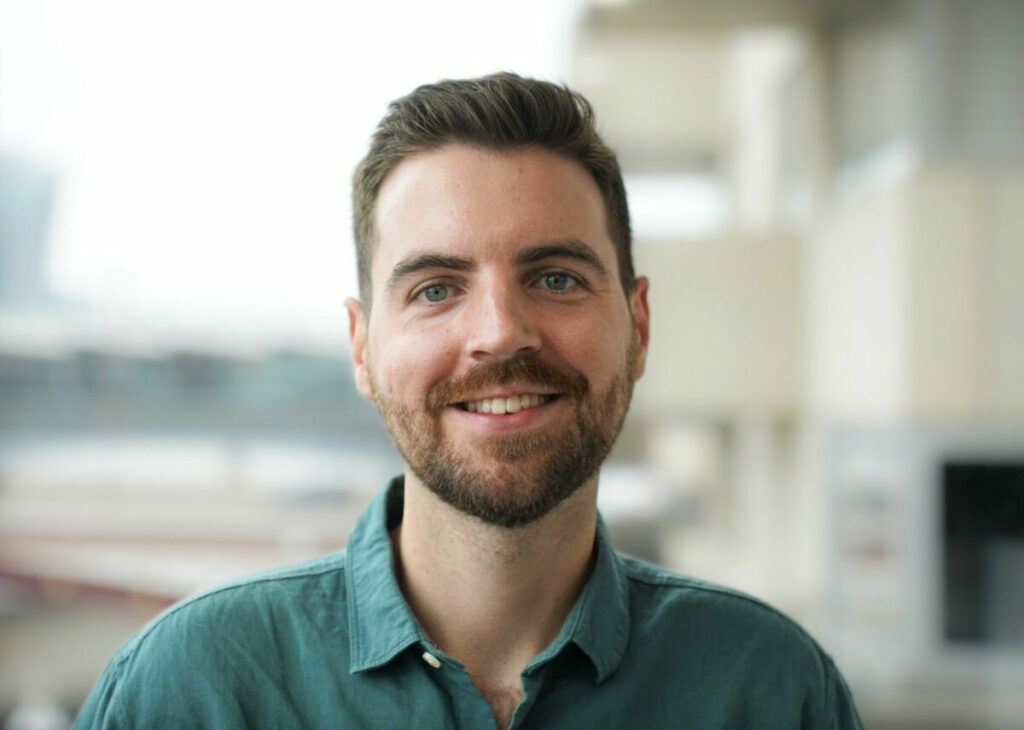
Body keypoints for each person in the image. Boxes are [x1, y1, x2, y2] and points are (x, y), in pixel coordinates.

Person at [75, 73, 862, 729]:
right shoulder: (186, 689)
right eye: (437, 288)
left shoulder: (772, 690)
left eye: (555, 278)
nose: (499, 334)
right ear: (361, 346)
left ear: (640, 326)